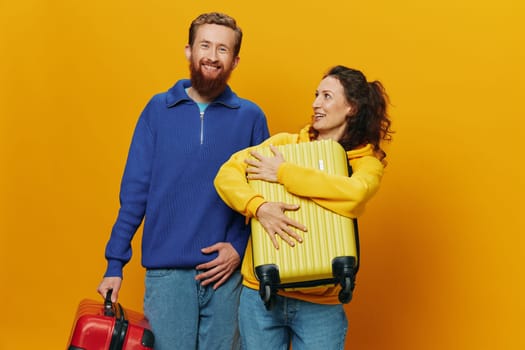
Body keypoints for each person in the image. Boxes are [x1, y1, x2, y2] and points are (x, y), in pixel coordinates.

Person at [96, 12, 270, 350]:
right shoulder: (157, 110)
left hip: (226, 274)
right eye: (205, 45)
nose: (212, 56)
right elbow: (134, 193)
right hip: (167, 275)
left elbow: (263, 194)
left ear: (235, 60)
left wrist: (238, 247)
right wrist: (114, 264)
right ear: (189, 51)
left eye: (223, 49)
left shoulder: (251, 117)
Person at [214, 65, 393, 350]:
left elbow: (355, 194)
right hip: (263, 296)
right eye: (316, 94)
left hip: (320, 305)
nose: (315, 103)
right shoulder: (285, 144)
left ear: (351, 108)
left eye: (326, 96)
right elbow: (227, 173)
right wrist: (258, 207)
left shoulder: (364, 162)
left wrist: (284, 173)